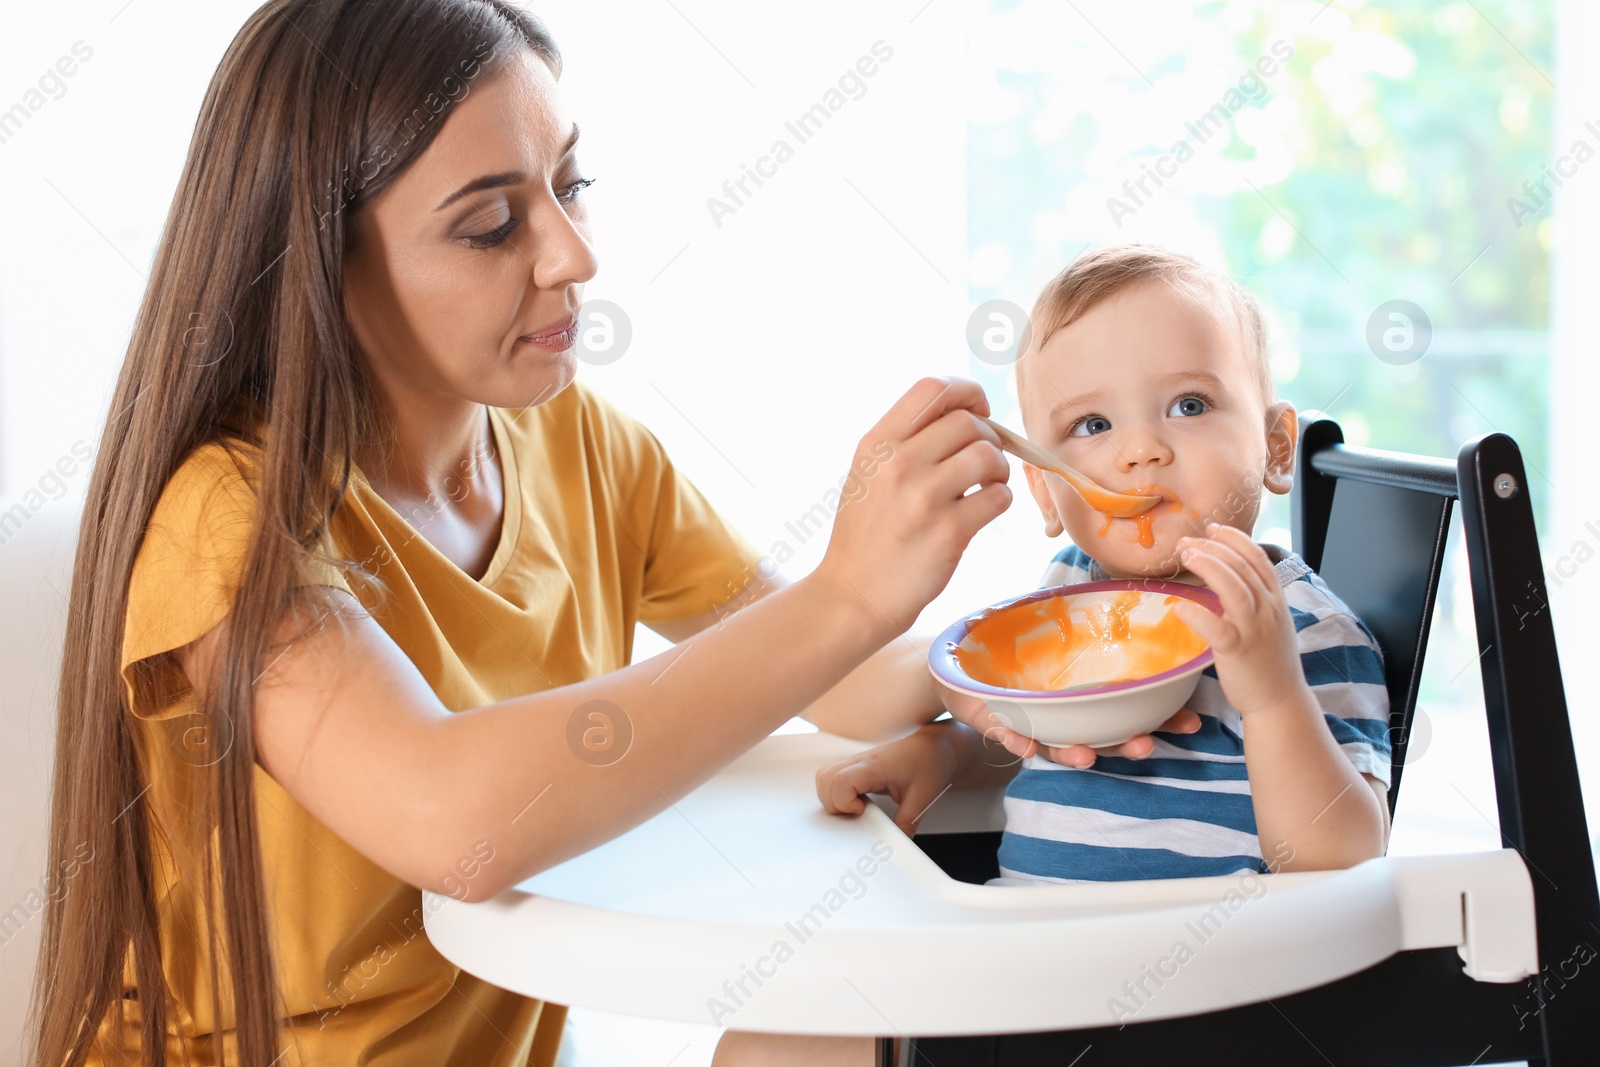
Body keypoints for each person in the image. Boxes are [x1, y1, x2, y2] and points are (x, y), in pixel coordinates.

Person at [27, 4, 1172, 1065]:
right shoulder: (226, 515)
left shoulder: (579, 444)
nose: (574, 253)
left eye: (573, 185)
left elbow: (827, 681)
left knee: (819, 1031)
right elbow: (453, 822)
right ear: (322, 265)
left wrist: (1023, 679)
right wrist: (843, 594)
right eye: (490, 225)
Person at [720, 244, 1395, 1062]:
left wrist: (1274, 696)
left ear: (1275, 444)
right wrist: (951, 753)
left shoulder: (1300, 625)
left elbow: (1347, 857)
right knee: (766, 1035)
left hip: (1193, 1003)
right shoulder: (1067, 596)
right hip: (1029, 961)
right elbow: (1053, 748)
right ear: (1045, 491)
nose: (1141, 450)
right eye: (1092, 425)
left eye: (1188, 404)